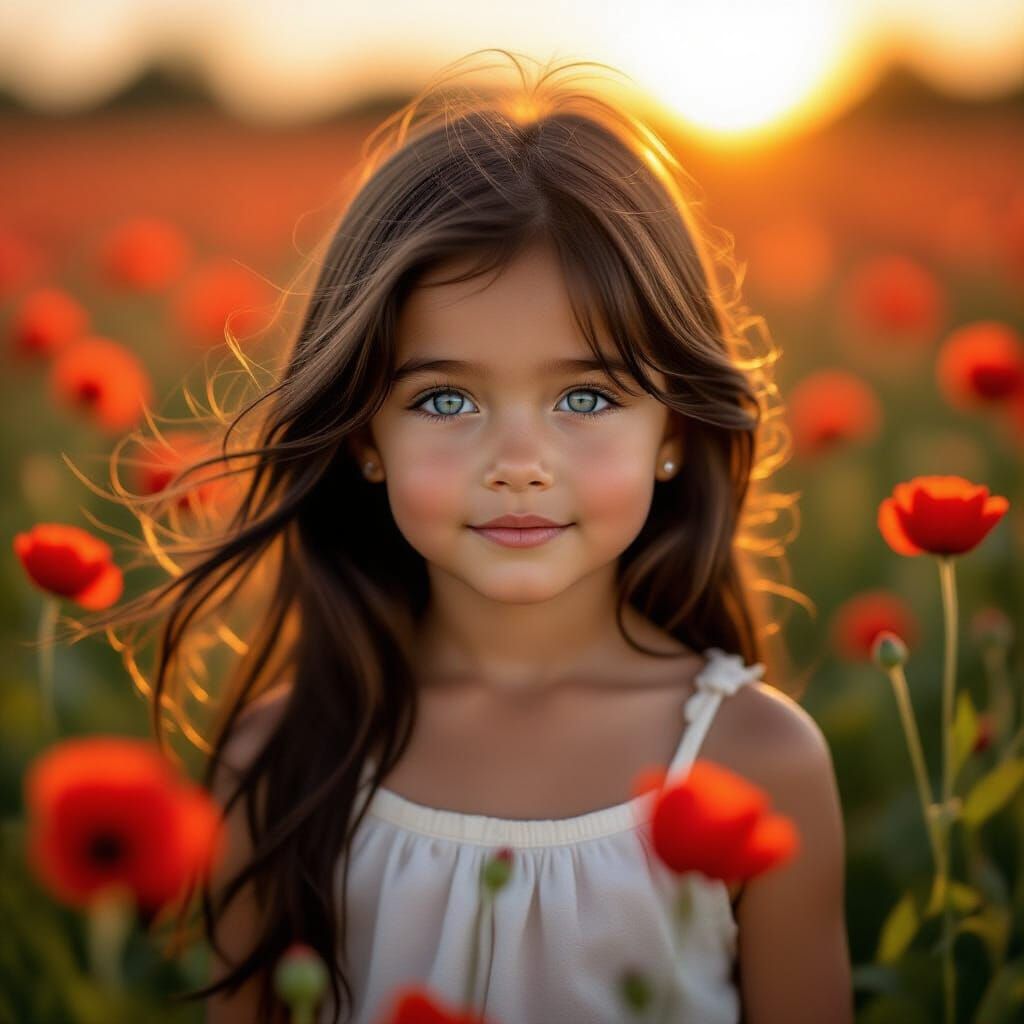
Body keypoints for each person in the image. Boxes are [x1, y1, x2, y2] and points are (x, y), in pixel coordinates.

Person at [71, 48, 852, 1024]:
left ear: (674, 431)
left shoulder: (754, 761)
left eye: (585, 395)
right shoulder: (282, 760)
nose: (518, 459)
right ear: (364, 436)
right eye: (445, 397)